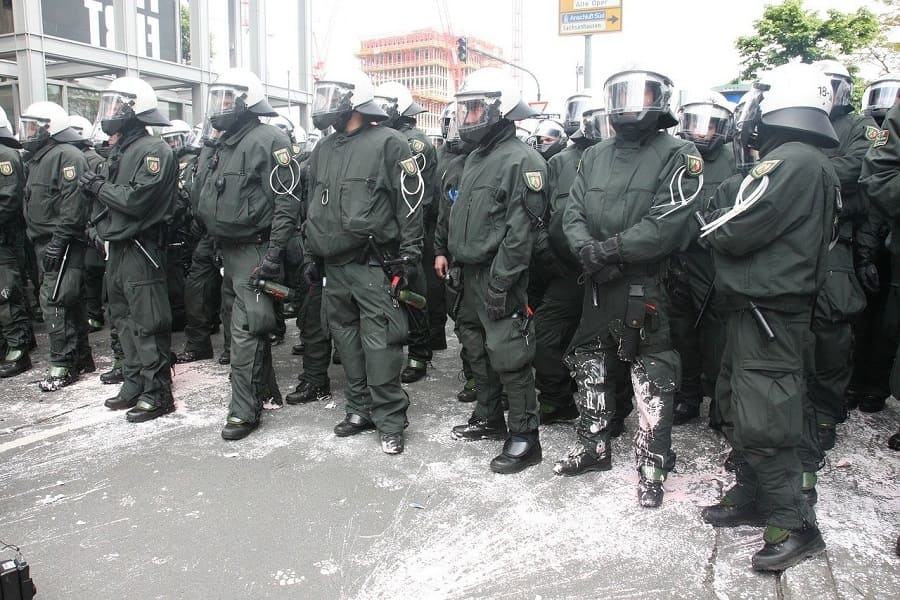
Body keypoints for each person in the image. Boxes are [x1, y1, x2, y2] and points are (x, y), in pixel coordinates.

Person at [700, 62, 839, 572]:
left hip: (771, 316)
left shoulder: (795, 161)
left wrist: (713, 216)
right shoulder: (801, 159)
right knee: (741, 406)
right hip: (757, 313)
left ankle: (795, 523)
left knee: (766, 421)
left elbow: (729, 226)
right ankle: (755, 496)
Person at [559, 67, 702, 508]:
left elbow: (668, 223)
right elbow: (573, 211)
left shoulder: (681, 153)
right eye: (620, 94)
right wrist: (587, 251)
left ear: (661, 102)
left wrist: (612, 251)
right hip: (598, 283)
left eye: (640, 95)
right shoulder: (595, 153)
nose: (628, 105)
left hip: (647, 285)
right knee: (590, 365)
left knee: (652, 376)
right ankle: (594, 445)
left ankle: (652, 464)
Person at [304, 68, 423, 455]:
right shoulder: (324, 147)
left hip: (372, 264)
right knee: (347, 342)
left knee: (381, 345)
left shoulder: (389, 143)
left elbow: (410, 205)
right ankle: (359, 409)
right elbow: (314, 207)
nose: (323, 106)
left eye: (331, 96)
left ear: (354, 101)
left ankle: (390, 420)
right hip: (334, 268)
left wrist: (408, 254)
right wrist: (310, 253)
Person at [446, 67, 547, 474]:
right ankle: (488, 417)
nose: (467, 118)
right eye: (465, 109)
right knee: (475, 348)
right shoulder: (475, 158)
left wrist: (502, 283)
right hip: (470, 273)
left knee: (510, 355)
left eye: (473, 110)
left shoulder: (524, 160)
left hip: (499, 274)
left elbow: (520, 234)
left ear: (498, 110)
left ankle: (525, 435)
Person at [194, 68, 297, 440]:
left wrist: (273, 252)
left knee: (247, 331)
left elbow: (287, 201)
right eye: (217, 97)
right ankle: (265, 392)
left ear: (246, 101)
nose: (219, 106)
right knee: (246, 327)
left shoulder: (270, 139)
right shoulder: (222, 143)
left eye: (226, 98)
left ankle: (243, 410)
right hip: (227, 249)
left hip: (255, 249)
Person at [78, 77, 177, 421]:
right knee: (122, 320)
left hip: (141, 248)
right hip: (118, 248)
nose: (109, 114)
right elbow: (106, 204)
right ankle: (134, 383)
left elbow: (134, 200)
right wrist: (96, 226)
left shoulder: (155, 151)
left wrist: (97, 186)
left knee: (148, 323)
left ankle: (157, 392)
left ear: (135, 111)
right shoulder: (120, 150)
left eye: (116, 106)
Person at [533, 94, 614, 427]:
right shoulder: (561, 161)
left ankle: (613, 410)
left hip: (612, 269)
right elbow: (541, 217)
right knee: (545, 335)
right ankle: (556, 400)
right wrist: (553, 260)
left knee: (610, 342)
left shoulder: (624, 161)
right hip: (567, 270)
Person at [806, 60, 873, 445]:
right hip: (794, 239)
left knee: (832, 334)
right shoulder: (800, 124)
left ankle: (827, 414)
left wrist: (805, 171)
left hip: (835, 240)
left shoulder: (860, 126)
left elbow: (856, 168)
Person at [668, 90, 736, 427]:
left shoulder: (737, 158)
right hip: (678, 257)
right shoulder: (675, 155)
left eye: (710, 125)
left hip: (715, 261)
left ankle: (722, 404)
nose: (701, 132)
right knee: (681, 333)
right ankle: (688, 396)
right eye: (694, 124)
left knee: (719, 337)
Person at [19, 101, 94, 391]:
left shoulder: (66, 156)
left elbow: (72, 205)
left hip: (59, 241)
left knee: (56, 302)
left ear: (50, 129)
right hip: (44, 242)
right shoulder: (40, 158)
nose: (27, 134)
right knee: (67, 300)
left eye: (32, 127)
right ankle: (81, 358)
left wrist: (59, 242)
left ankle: (63, 364)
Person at [374, 81, 439, 384]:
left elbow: (416, 197)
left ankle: (419, 353)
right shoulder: (383, 139)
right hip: (387, 232)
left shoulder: (415, 143)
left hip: (411, 230)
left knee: (412, 292)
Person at [433, 102, 478, 404]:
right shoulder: (451, 165)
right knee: (464, 323)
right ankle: (475, 376)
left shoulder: (491, 162)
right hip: (457, 257)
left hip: (489, 260)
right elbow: (444, 213)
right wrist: (440, 250)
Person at [0, 106, 32, 378]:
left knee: (7, 294)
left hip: (6, 240)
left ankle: (18, 348)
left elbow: (9, 200)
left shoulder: (6, 156)